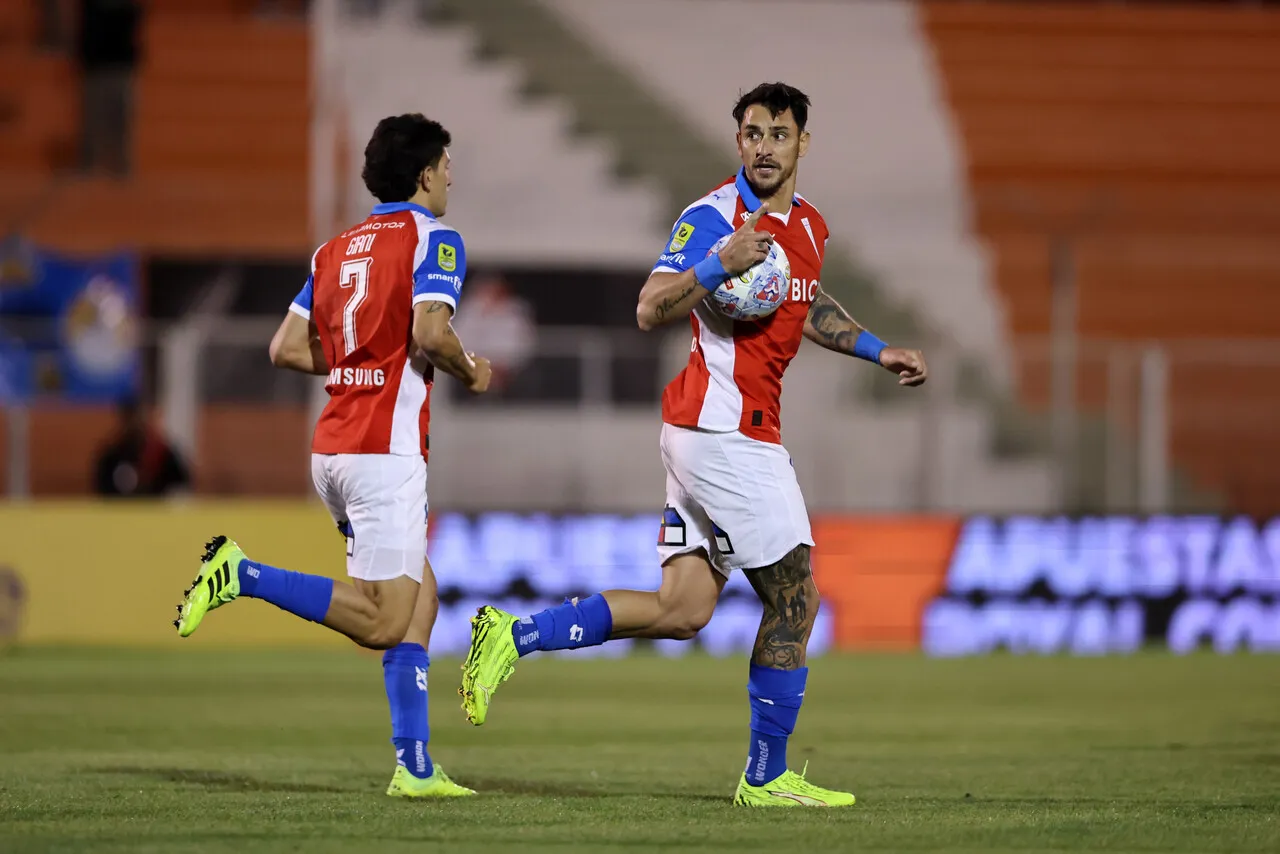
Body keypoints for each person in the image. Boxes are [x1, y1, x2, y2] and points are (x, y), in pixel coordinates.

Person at [459, 83, 928, 807]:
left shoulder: (808, 227)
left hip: (717, 433)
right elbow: (650, 307)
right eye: (751, 133)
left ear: (804, 143)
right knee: (795, 596)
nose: (763, 145)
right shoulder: (711, 218)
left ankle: (513, 635)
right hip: (724, 433)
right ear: (737, 142)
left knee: (681, 611)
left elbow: (805, 303)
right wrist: (720, 261)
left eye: (778, 133)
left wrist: (876, 348)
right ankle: (766, 779)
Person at [173, 114, 492, 798]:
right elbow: (434, 336)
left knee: (420, 601)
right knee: (384, 619)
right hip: (383, 451)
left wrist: (358, 361)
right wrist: (473, 371)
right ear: (426, 172)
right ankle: (243, 573)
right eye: (446, 165)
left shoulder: (333, 249)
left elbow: (286, 348)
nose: (451, 178)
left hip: (332, 450)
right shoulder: (434, 239)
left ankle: (414, 768)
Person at [93, 399, 190, 497]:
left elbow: (182, 483)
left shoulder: (163, 452)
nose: (134, 423)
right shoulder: (111, 456)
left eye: (139, 417)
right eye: (129, 417)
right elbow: (102, 490)